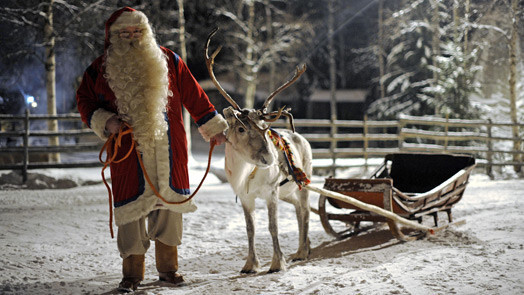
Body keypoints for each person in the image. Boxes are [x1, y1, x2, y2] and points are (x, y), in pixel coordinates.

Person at [76, 7, 227, 292]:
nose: (132, 37)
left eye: (137, 32)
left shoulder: (169, 60)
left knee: (169, 209)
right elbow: (84, 101)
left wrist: (213, 127)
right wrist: (105, 120)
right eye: (125, 33)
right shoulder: (99, 68)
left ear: (146, 32)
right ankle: (132, 274)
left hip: (169, 149)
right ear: (114, 36)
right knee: (131, 213)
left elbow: (194, 94)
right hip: (126, 150)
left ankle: (169, 270)